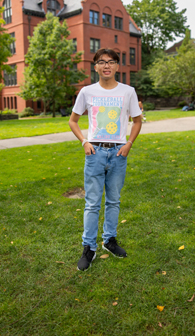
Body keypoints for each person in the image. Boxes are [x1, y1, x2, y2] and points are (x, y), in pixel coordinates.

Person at [69, 48, 142, 271]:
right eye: (101, 62)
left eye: (111, 62)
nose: (106, 65)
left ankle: (109, 240)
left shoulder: (128, 91)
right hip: (95, 153)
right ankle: (89, 247)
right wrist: (84, 141)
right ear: (96, 67)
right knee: (92, 203)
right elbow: (73, 121)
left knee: (114, 200)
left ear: (117, 66)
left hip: (119, 153)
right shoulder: (87, 92)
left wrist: (129, 143)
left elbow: (137, 121)